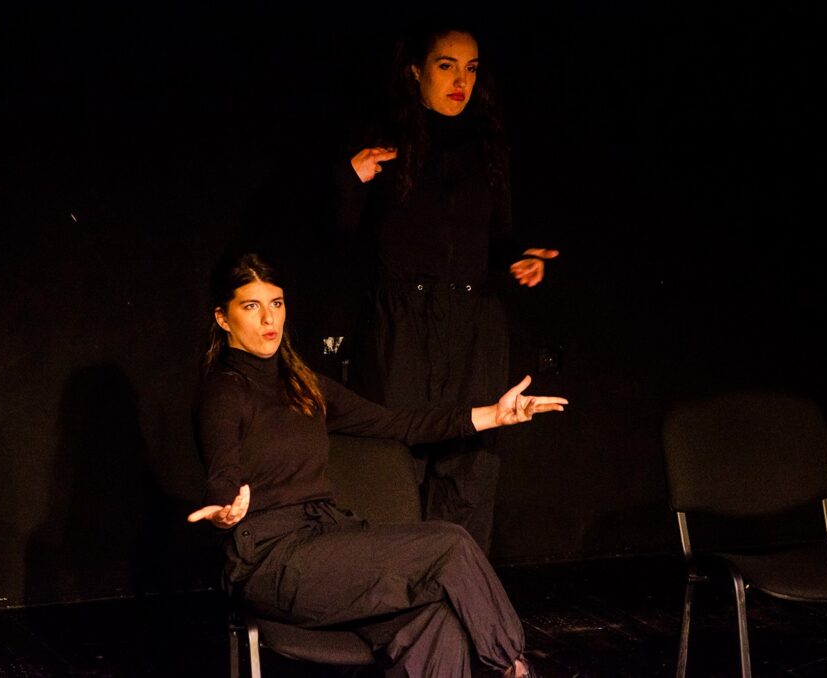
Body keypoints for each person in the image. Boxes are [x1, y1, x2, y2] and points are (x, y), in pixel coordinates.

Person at [188, 251, 568, 677]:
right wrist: (224, 510)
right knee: (450, 544)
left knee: (434, 620)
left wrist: (494, 415)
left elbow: (397, 423)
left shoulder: (303, 386)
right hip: (271, 559)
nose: (268, 318)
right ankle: (514, 668)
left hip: (325, 540)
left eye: (276, 303)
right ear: (223, 318)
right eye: (251, 306)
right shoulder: (224, 392)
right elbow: (222, 473)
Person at [330, 21, 560, 554]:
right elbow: (334, 238)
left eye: (471, 69)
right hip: (402, 324)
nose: (461, 81)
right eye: (446, 65)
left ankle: (454, 593)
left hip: (471, 323)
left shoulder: (487, 148)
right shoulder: (384, 141)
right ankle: (388, 591)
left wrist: (521, 258)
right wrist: (350, 180)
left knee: (468, 469)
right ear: (416, 71)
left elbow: (495, 239)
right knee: (394, 464)